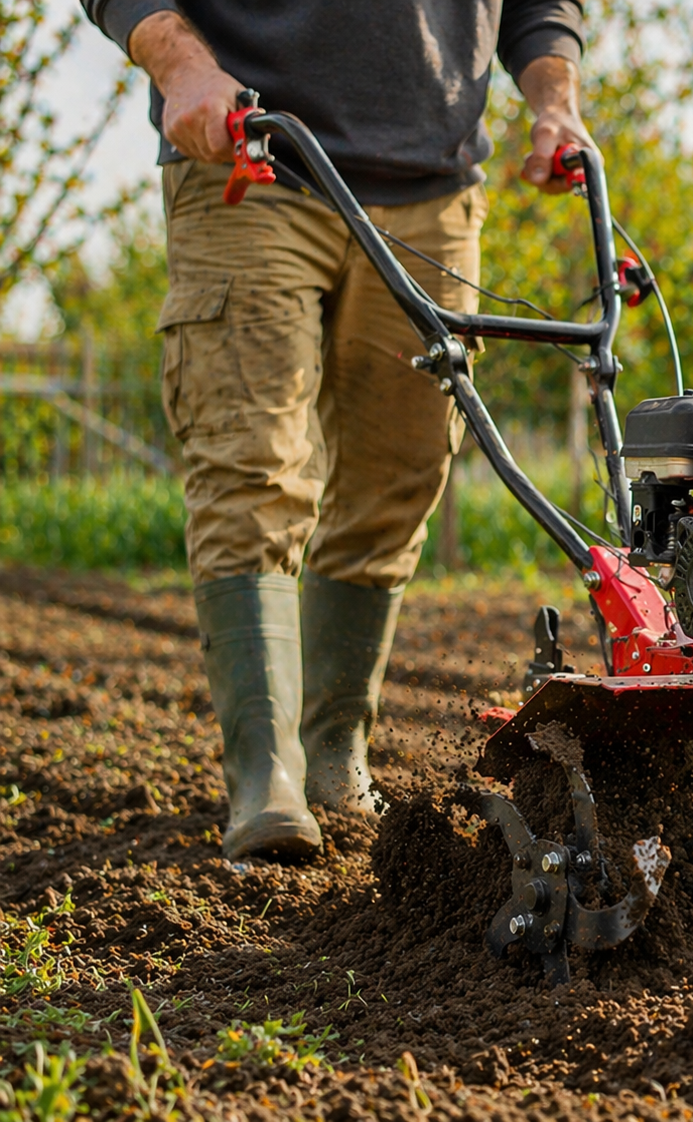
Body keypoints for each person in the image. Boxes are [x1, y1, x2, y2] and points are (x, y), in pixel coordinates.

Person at [81, 0, 591, 861]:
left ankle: (331, 755)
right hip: (249, 151)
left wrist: (554, 97)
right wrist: (179, 63)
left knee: (404, 470)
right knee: (251, 459)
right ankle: (264, 773)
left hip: (434, 188)